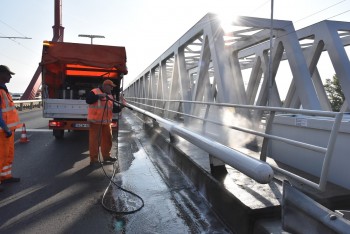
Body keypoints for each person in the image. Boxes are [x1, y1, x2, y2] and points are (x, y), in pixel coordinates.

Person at [86, 79, 122, 166]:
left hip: (106, 122)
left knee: (107, 140)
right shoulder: (94, 92)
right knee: (94, 142)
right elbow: (88, 100)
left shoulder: (110, 95)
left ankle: (106, 157)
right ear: (105, 86)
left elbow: (113, 108)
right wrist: (99, 96)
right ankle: (93, 160)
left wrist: (121, 107)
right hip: (95, 122)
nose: (112, 89)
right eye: (111, 87)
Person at [0, 65, 22, 192]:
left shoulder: (4, 90)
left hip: (7, 130)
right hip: (3, 130)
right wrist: (6, 128)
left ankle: (5, 176)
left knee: (8, 155)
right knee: (1, 156)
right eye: (8, 74)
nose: (10, 77)